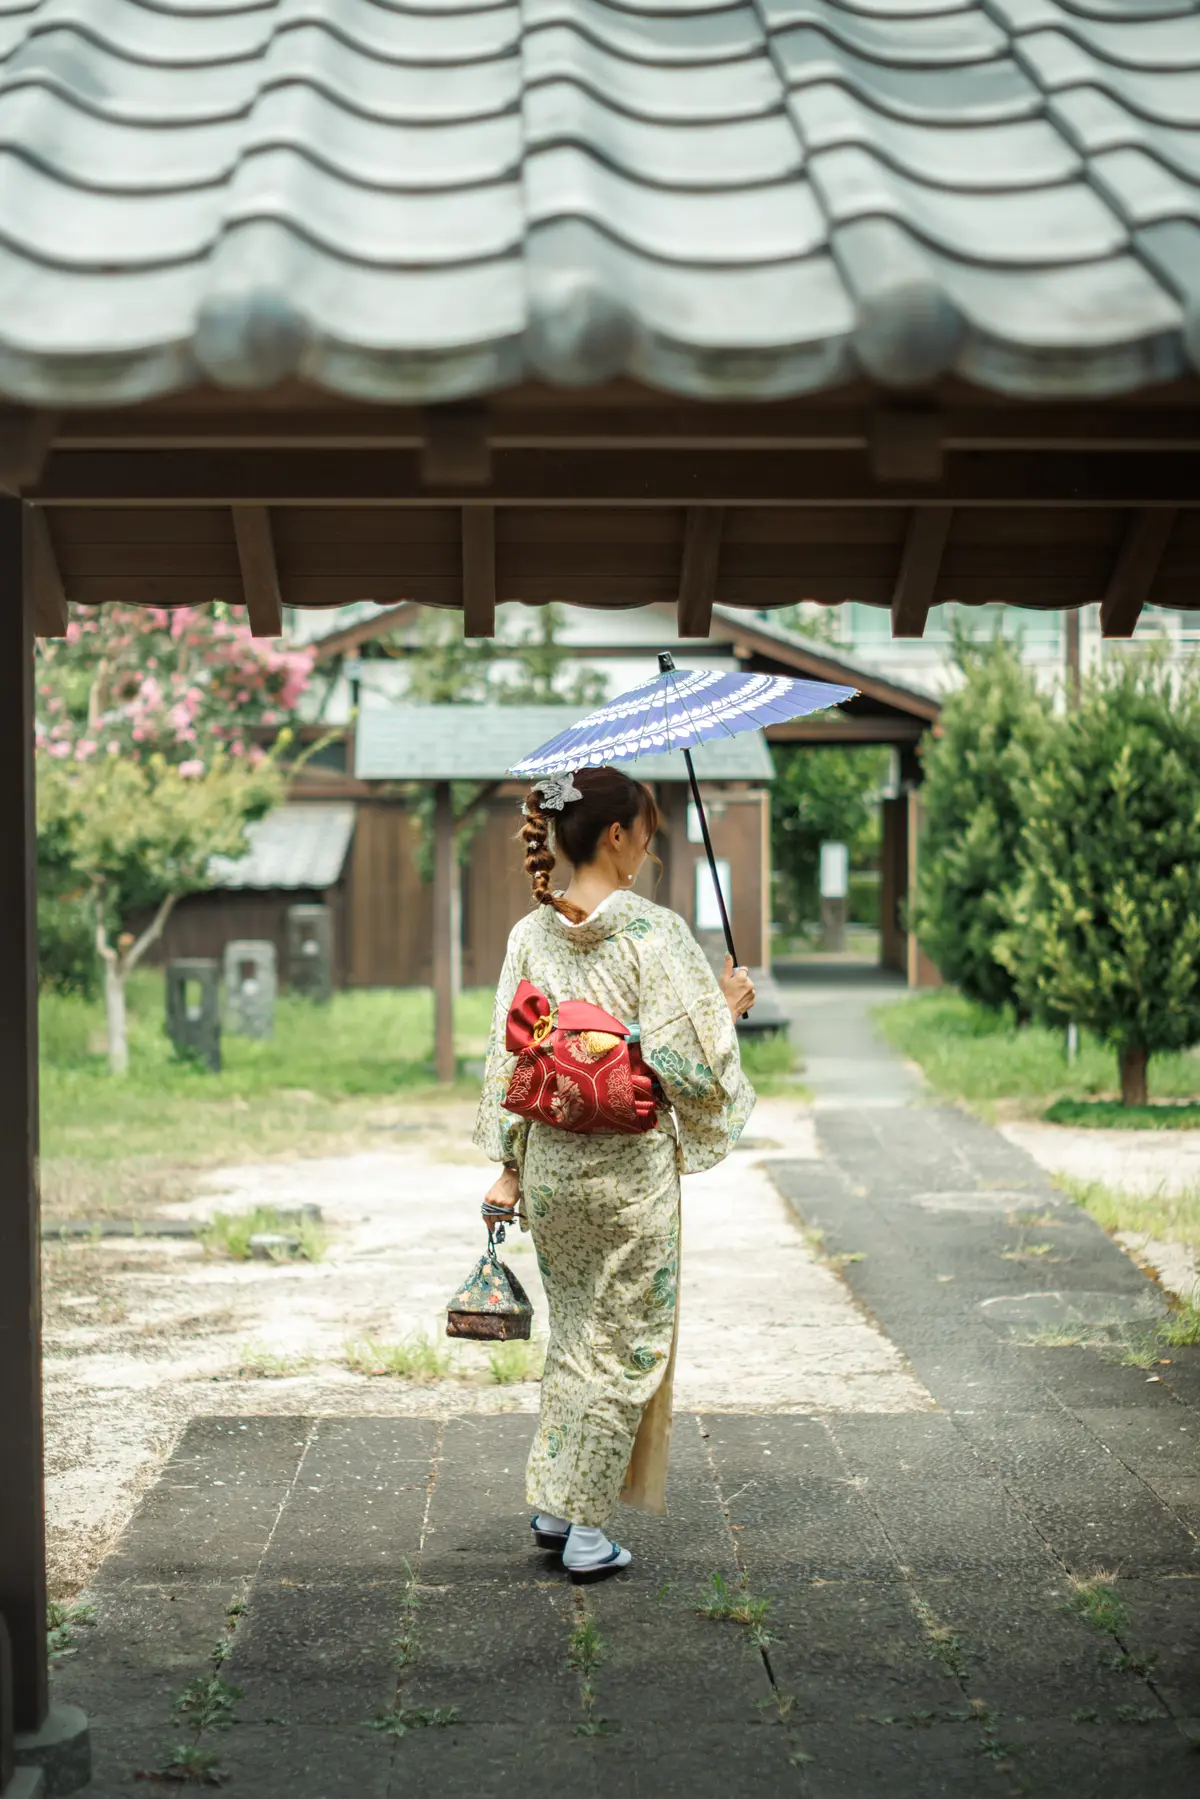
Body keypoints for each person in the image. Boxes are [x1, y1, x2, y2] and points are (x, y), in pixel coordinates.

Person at [473, 764, 755, 1583]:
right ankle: (589, 1531)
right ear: (617, 835)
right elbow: (691, 1066)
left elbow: (507, 1058)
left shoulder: (533, 934)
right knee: (624, 1344)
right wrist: (724, 1008)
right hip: (629, 1172)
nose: (648, 849)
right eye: (646, 833)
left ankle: (557, 1502)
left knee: (577, 1336)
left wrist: (509, 1167)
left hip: (557, 1165)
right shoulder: (653, 934)